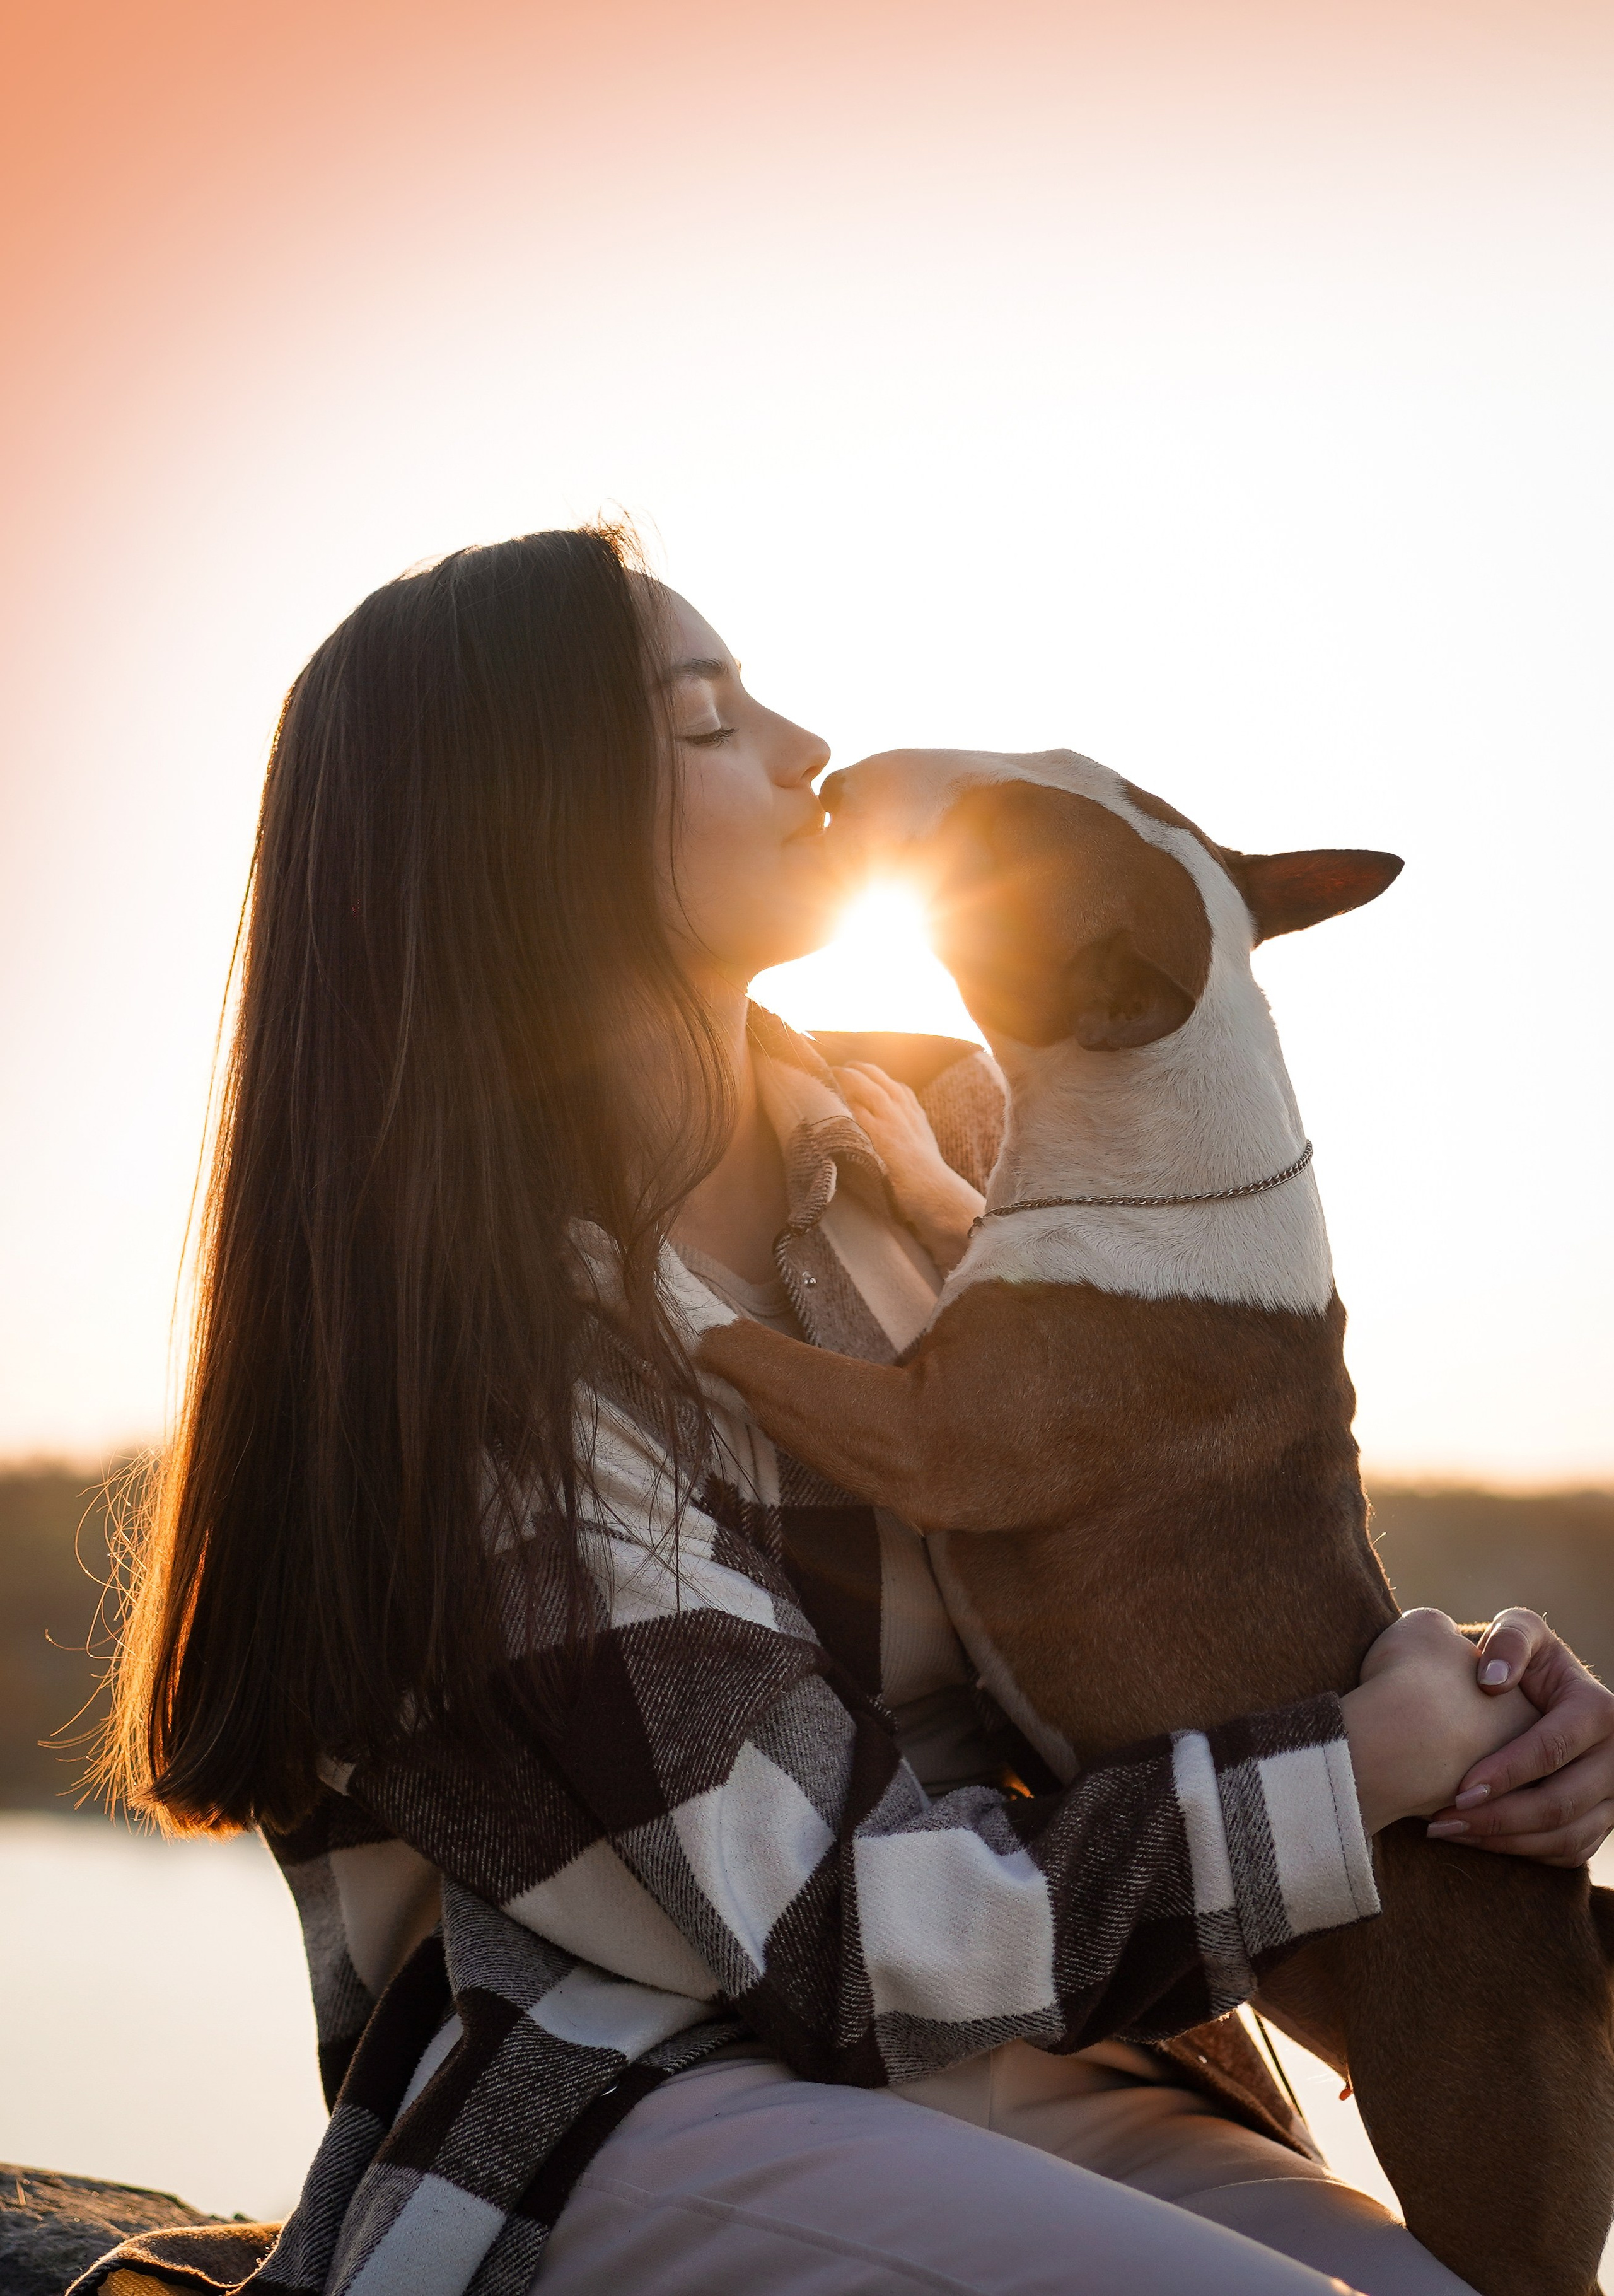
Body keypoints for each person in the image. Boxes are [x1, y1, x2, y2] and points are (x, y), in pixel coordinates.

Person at [94, 526, 1614, 2296]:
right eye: (706, 718)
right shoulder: (488, 1377)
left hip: (1057, 2060)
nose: (803, 745)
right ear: (526, 825)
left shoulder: (955, 1135)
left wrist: (1486, 1721)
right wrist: (1354, 1772)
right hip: (652, 2091)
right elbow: (839, 1935)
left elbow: (1191, 1541)